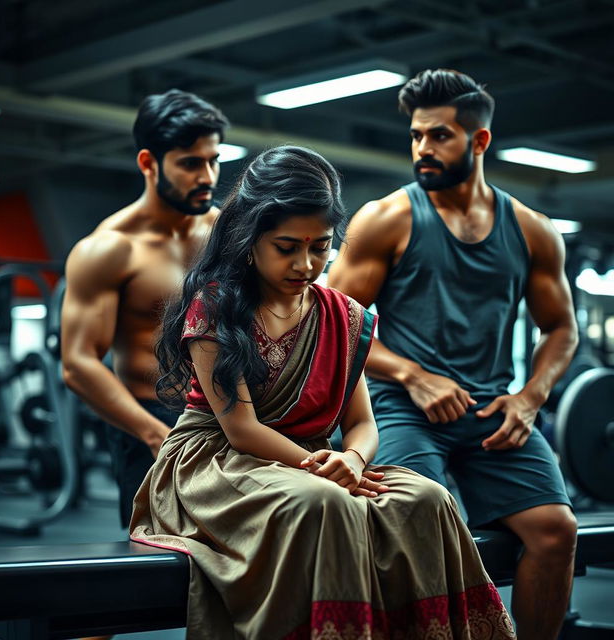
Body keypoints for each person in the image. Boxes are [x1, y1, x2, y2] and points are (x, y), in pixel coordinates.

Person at [130, 145, 516, 640]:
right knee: (323, 503)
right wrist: (327, 474)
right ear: (250, 239)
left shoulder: (345, 315)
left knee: (427, 498)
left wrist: (353, 462)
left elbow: (361, 424)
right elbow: (242, 429)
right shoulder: (215, 307)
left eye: (321, 247)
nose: (306, 264)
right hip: (217, 462)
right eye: (286, 247)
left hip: (318, 464)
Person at [328, 69, 578, 640]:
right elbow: (333, 322)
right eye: (416, 135)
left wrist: (531, 398)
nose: (423, 148)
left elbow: (561, 327)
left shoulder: (533, 231)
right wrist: (411, 375)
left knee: (556, 531)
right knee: (422, 527)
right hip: (400, 408)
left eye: (439, 135)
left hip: (493, 412)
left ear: (479, 141)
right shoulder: (386, 219)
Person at [62, 90, 229, 528]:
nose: (208, 175)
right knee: (161, 562)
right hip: (150, 420)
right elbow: (78, 363)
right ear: (148, 163)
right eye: (191, 163)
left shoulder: (224, 234)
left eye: (213, 160)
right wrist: (155, 434)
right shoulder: (108, 249)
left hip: (226, 414)